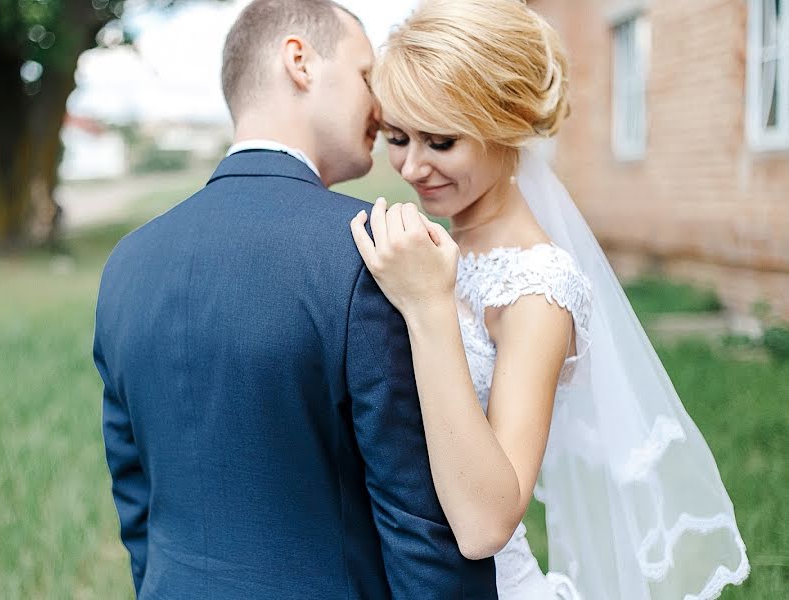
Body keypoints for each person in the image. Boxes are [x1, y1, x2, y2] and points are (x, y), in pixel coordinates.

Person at [94, 0, 498, 597]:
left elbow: (137, 503)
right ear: (299, 61)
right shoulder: (372, 250)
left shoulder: (126, 262)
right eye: (367, 76)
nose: (380, 105)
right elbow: (421, 525)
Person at [350, 0, 750, 598]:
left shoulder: (538, 287)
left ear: (503, 123)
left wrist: (427, 305)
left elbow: (487, 522)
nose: (411, 166)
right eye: (398, 137)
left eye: (440, 141)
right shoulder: (443, 245)